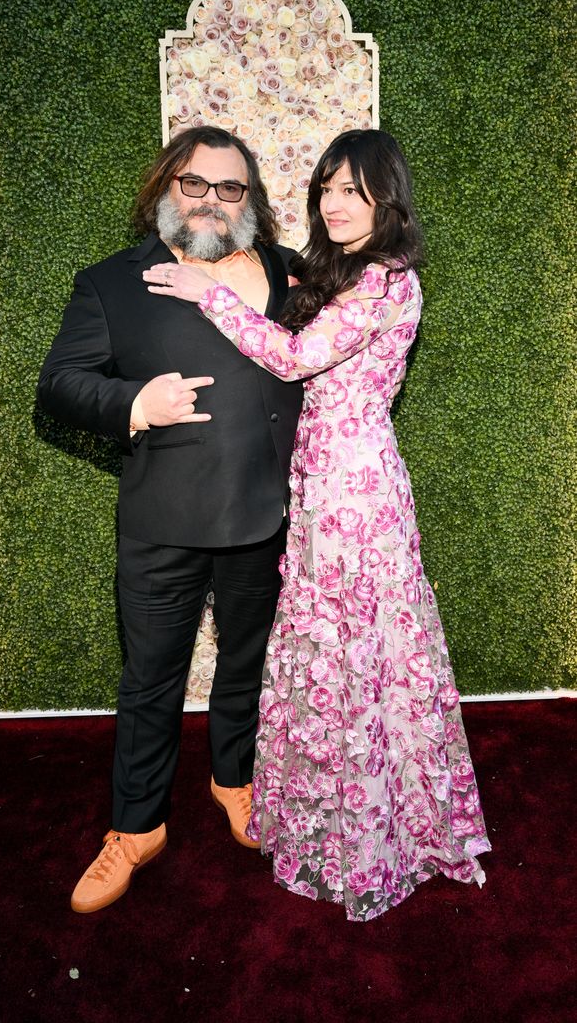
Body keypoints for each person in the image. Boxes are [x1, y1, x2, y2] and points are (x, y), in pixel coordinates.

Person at [143, 129, 491, 922]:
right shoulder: (352, 273)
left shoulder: (386, 282)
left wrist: (208, 292)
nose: (334, 204)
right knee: (340, 649)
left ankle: (370, 832)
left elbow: (294, 359)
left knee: (355, 652)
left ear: (386, 199)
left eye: (353, 192)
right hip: (325, 482)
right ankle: (338, 808)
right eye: (327, 188)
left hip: (354, 492)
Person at [37, 126, 303, 913]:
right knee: (150, 679)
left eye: (230, 187)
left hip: (268, 515)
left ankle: (235, 779)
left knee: (247, 665)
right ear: (165, 187)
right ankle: (136, 827)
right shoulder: (111, 283)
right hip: (161, 521)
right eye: (195, 183)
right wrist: (133, 402)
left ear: (250, 199)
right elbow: (59, 383)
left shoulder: (290, 272)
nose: (211, 199)